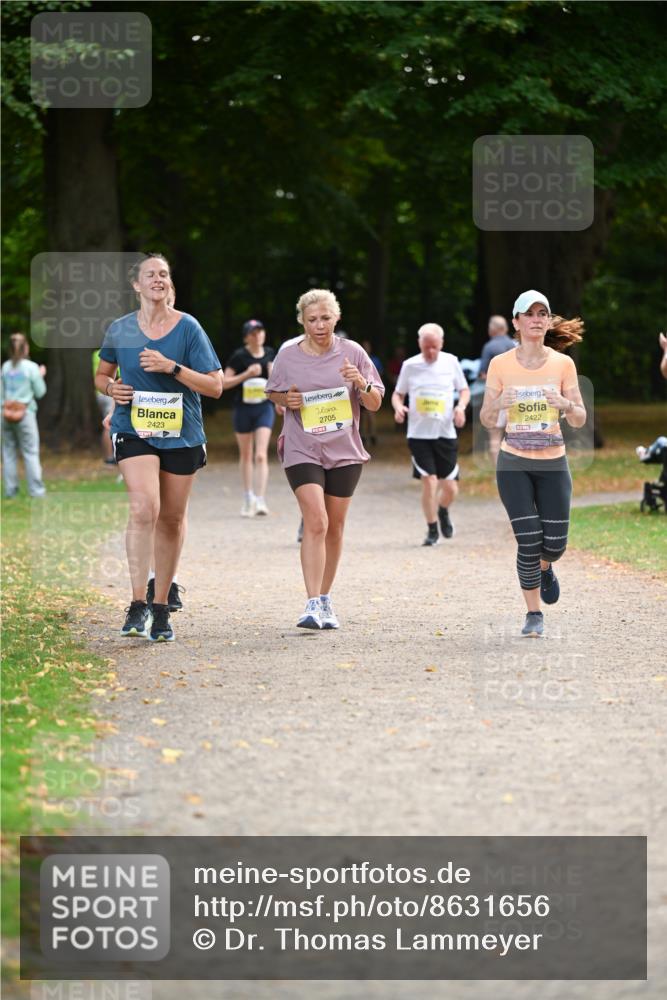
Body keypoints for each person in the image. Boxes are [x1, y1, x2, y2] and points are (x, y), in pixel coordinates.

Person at [94, 253, 222, 642]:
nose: (158, 279)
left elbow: (215, 386)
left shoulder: (189, 329)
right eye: (150, 274)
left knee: (170, 518)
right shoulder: (119, 329)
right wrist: (111, 388)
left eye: (164, 274)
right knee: (144, 506)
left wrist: (173, 368)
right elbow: (103, 375)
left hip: (182, 432)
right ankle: (136, 602)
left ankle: (162, 605)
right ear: (136, 285)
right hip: (133, 428)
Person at [265, 288, 384, 629]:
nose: (319, 325)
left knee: (335, 526)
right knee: (315, 520)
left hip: (344, 449)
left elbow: (375, 403)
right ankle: (312, 602)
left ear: (337, 318)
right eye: (312, 319)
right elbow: (274, 391)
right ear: (301, 320)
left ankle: (326, 598)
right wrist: (287, 399)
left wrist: (361, 383)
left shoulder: (353, 353)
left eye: (326, 318)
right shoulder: (288, 355)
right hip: (302, 446)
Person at [480, 289, 586, 638]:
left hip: (553, 462)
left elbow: (580, 419)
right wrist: (498, 403)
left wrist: (565, 404)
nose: (537, 319)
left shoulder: (562, 364)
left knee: (554, 544)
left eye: (543, 313)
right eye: (529, 314)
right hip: (514, 463)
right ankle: (533, 613)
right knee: (528, 540)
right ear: (517, 322)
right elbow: (484, 418)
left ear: (548, 321)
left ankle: (544, 568)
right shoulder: (500, 364)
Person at [391, 324, 470, 545]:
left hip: (445, 432)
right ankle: (432, 528)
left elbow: (464, 390)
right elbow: (398, 394)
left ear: (441, 344)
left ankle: (443, 510)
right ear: (419, 344)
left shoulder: (451, 362)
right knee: (429, 481)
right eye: (426, 348)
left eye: (435, 347)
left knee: (451, 487)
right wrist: (398, 408)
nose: (431, 352)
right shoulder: (410, 365)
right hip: (419, 434)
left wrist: (460, 407)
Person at [223, 320, 276, 516]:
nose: (257, 336)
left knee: (261, 454)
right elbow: (223, 383)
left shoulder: (271, 354)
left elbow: (280, 382)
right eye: (253, 333)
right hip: (242, 409)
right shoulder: (239, 356)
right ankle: (248, 497)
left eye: (260, 332)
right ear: (246, 337)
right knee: (246, 454)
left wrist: (273, 375)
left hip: (264, 408)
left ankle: (261, 500)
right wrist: (246, 374)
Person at [1, 332, 47, 498]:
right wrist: (40, 376)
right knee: (30, 452)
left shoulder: (6, 367)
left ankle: (10, 491)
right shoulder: (31, 367)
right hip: (25, 413)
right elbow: (40, 392)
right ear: (25, 347)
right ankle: (37, 491)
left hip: (5, 413)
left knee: (8, 452)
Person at [478, 315, 516, 464]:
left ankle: (498, 475)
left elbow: (483, 375)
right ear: (505, 328)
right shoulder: (516, 346)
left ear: (492, 329)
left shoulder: (489, 347)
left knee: (495, 436)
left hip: (498, 397)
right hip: (517, 395)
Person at [360, 339, 383, 447]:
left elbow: (380, 372)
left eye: (367, 346)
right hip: (360, 390)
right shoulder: (358, 358)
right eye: (364, 346)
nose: (366, 348)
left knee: (371, 415)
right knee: (363, 416)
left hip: (371, 389)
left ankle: (372, 435)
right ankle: (363, 436)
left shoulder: (375, 359)